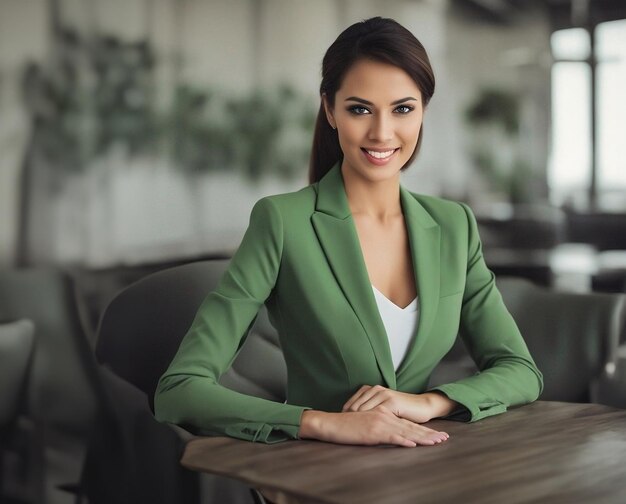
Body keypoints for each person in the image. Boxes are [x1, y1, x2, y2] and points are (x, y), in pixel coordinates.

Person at [154, 16, 543, 448]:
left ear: (423, 112)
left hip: (423, 467)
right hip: (317, 474)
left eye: (403, 108)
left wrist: (429, 403)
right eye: (360, 109)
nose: (382, 132)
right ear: (330, 110)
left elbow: (520, 370)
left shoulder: (454, 225)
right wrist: (322, 422)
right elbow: (179, 390)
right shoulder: (283, 222)